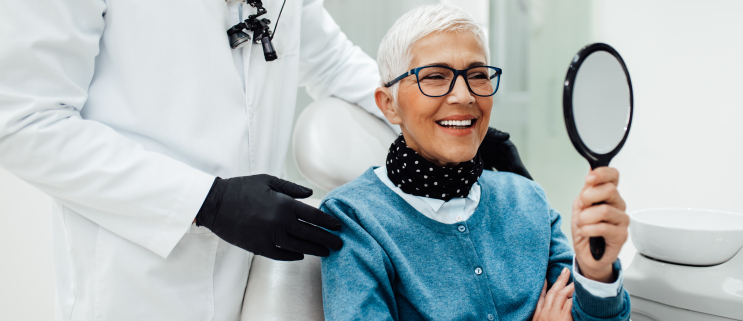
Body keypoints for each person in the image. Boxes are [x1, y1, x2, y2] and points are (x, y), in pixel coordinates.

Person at [0, 1, 529, 320]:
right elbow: (23, 123)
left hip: (250, 280)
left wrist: (450, 121)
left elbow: (334, 63)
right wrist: (208, 202)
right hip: (134, 283)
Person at [319, 5, 631, 321]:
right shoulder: (353, 218)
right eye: (436, 76)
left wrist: (596, 273)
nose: (464, 95)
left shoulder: (527, 199)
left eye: (477, 75)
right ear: (389, 105)